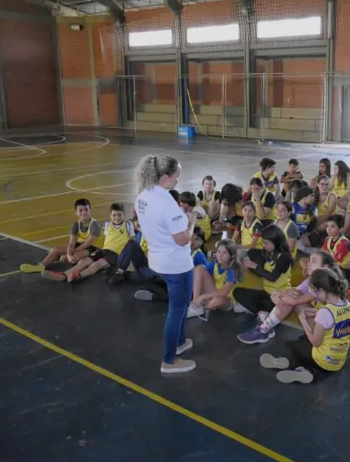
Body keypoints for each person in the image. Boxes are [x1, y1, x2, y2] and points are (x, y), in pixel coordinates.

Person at [134, 154, 197, 374]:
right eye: (177, 175)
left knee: (177, 306)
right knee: (177, 310)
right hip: (176, 264)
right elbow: (182, 239)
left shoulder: (142, 196)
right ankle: (169, 361)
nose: (180, 179)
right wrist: (191, 225)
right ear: (165, 177)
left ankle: (180, 343)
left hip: (158, 260)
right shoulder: (167, 203)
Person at [258, 267, 350, 384]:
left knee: (291, 345)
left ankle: (300, 368)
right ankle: (306, 369)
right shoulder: (347, 305)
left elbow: (315, 342)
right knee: (303, 341)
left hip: (323, 361)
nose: (316, 296)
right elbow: (337, 323)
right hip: (338, 360)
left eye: (316, 292)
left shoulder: (326, 312)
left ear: (322, 290)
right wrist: (318, 314)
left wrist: (303, 320)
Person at [237, 249, 340, 344]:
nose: (308, 263)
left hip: (327, 332)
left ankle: (265, 328)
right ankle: (265, 328)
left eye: (313, 261)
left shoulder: (324, 285)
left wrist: (277, 295)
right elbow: (292, 291)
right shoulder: (311, 280)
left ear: (325, 267)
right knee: (292, 295)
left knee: (294, 300)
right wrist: (277, 294)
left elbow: (295, 301)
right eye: (309, 260)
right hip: (317, 322)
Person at [45, 202, 134, 283]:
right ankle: (65, 274)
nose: (117, 218)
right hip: (104, 250)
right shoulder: (107, 224)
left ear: (124, 215)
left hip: (115, 254)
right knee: (84, 261)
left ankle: (78, 276)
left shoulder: (127, 225)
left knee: (97, 264)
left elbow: (132, 242)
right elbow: (106, 239)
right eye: (114, 215)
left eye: (119, 215)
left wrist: (126, 260)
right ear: (110, 215)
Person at [23, 199, 101, 276]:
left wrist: (71, 253)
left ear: (90, 210)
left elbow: (88, 244)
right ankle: (40, 266)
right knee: (55, 250)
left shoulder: (95, 224)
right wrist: (69, 253)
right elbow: (71, 243)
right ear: (75, 212)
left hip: (93, 248)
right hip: (81, 245)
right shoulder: (76, 224)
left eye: (86, 209)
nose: (83, 212)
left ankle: (64, 260)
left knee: (73, 258)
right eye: (80, 210)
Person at [232, 224, 294, 317]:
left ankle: (257, 309)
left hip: (280, 295)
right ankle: (259, 310)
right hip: (267, 292)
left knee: (269, 305)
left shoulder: (284, 257)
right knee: (237, 292)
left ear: (275, 242)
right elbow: (252, 252)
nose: (264, 245)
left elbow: (273, 277)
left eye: (266, 243)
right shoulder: (268, 252)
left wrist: (255, 266)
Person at [187, 239, 243, 320]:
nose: (220, 255)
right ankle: (196, 304)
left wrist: (203, 297)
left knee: (217, 300)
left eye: (225, 253)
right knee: (199, 268)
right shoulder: (215, 263)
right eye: (219, 251)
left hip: (227, 299)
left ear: (231, 255)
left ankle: (203, 306)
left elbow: (224, 292)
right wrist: (199, 297)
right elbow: (201, 275)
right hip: (214, 292)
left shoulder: (233, 269)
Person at [292, 186, 319, 254]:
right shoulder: (293, 207)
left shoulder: (313, 209)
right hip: (293, 234)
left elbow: (311, 226)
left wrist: (305, 234)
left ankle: (299, 247)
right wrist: (300, 235)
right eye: (311, 196)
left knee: (315, 237)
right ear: (304, 197)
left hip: (304, 233)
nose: (313, 198)